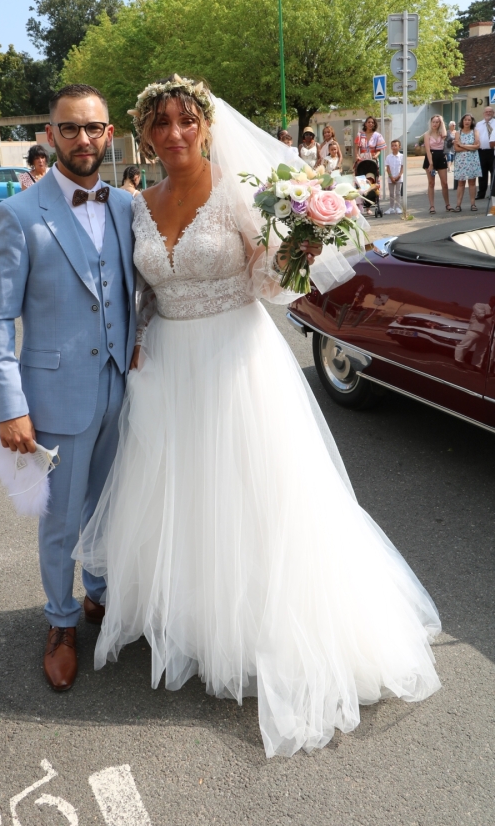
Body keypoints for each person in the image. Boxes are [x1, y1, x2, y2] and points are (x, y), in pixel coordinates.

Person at [73, 76, 441, 758]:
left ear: (206, 126)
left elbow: (272, 287)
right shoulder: (137, 205)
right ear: (146, 135)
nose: (175, 134)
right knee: (181, 498)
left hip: (238, 362)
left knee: (256, 496)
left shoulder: (242, 191)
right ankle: (195, 617)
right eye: (161, 124)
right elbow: (137, 290)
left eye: (186, 121)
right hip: (165, 369)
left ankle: (262, 629)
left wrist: (295, 252)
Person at [0, 84, 136, 692]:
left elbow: (130, 290)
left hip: (120, 388)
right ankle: (61, 621)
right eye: (69, 129)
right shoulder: (18, 214)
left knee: (108, 504)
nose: (83, 139)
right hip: (55, 395)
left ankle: (97, 593)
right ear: (50, 136)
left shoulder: (124, 206)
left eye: (93, 128)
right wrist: (9, 405)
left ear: (109, 132)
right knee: (61, 518)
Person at [423, 115, 452, 214]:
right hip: (430, 156)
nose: (435, 124)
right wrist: (431, 164)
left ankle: (447, 204)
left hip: (441, 156)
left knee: (444, 183)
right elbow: (427, 150)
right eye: (433, 122)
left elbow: (445, 134)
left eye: (437, 122)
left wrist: (441, 120)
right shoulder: (427, 134)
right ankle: (431, 206)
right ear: (430, 123)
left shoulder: (441, 133)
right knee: (431, 183)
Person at [454, 114, 482, 211]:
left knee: (472, 182)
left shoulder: (475, 132)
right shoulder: (458, 133)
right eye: (465, 120)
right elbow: (456, 148)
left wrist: (462, 145)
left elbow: (477, 146)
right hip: (461, 160)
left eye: (469, 120)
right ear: (462, 121)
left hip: (473, 160)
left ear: (472, 122)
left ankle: (473, 204)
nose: (467, 122)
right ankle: (458, 205)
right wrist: (470, 147)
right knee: (461, 183)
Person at [475, 106, 495, 200]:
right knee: (482, 173)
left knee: (493, 172)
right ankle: (481, 193)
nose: (488, 113)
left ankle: (492, 194)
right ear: (483, 113)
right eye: (486, 112)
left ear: (493, 113)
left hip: (493, 152)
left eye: (490, 111)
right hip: (481, 151)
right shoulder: (478, 124)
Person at [385, 139, 404, 214]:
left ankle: (398, 207)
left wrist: (399, 175)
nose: (394, 147)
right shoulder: (388, 157)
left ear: (399, 147)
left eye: (396, 145)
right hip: (391, 178)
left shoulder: (402, 156)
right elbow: (388, 168)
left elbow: (402, 167)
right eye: (392, 145)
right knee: (391, 193)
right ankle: (391, 207)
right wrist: (391, 177)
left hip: (399, 178)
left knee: (398, 192)